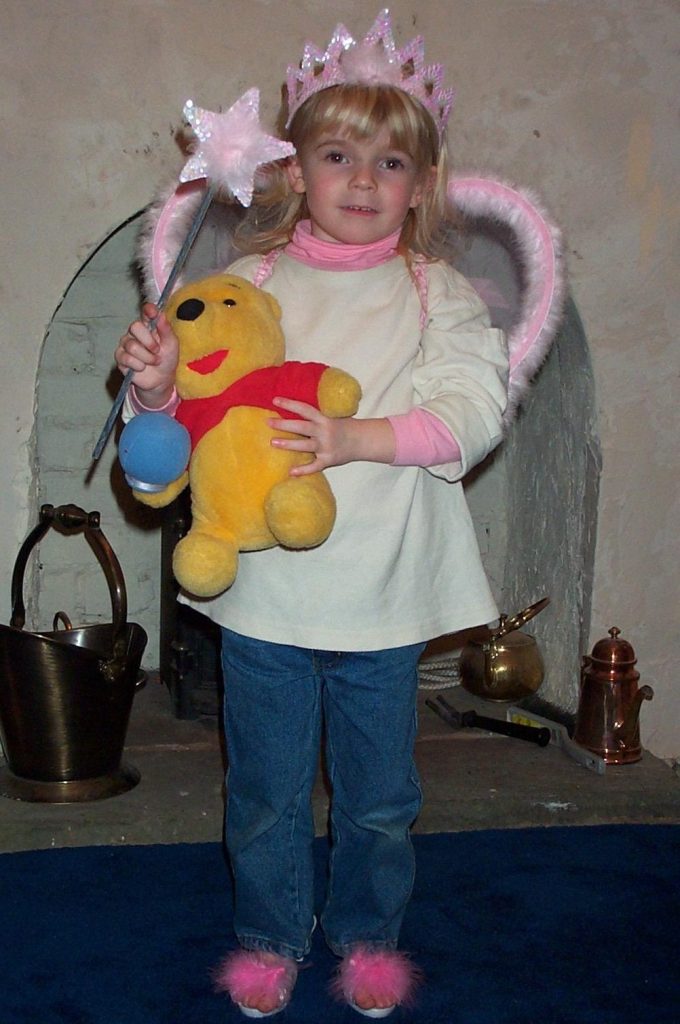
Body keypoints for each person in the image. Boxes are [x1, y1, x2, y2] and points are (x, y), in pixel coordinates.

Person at [115, 12, 508, 1018]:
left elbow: (472, 412)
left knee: (378, 797)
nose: (363, 179)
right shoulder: (245, 284)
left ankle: (369, 935)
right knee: (265, 790)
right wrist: (157, 388)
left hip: (381, 593)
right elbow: (179, 435)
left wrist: (354, 437)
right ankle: (270, 935)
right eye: (338, 155)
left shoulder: (436, 291)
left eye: (389, 162)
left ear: (420, 184)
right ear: (294, 171)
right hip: (267, 596)